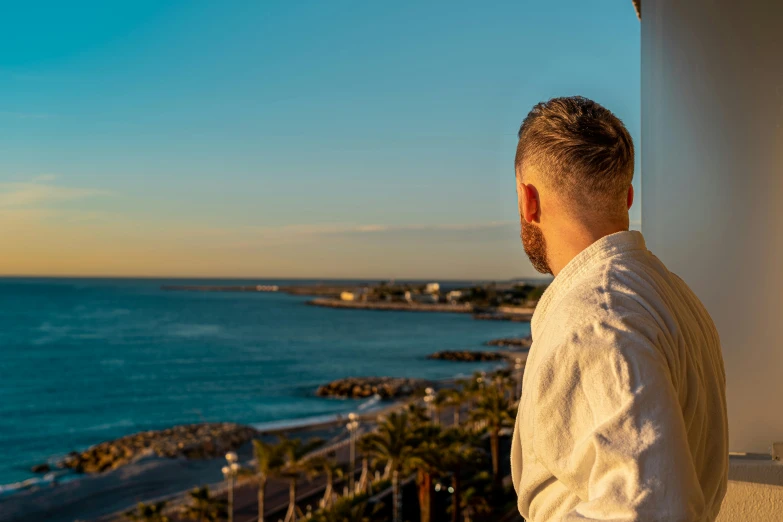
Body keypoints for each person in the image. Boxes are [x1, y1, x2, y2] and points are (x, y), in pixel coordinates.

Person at [510, 96, 728, 522]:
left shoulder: (596, 318)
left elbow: (654, 509)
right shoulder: (669, 294)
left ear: (528, 200)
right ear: (627, 196)